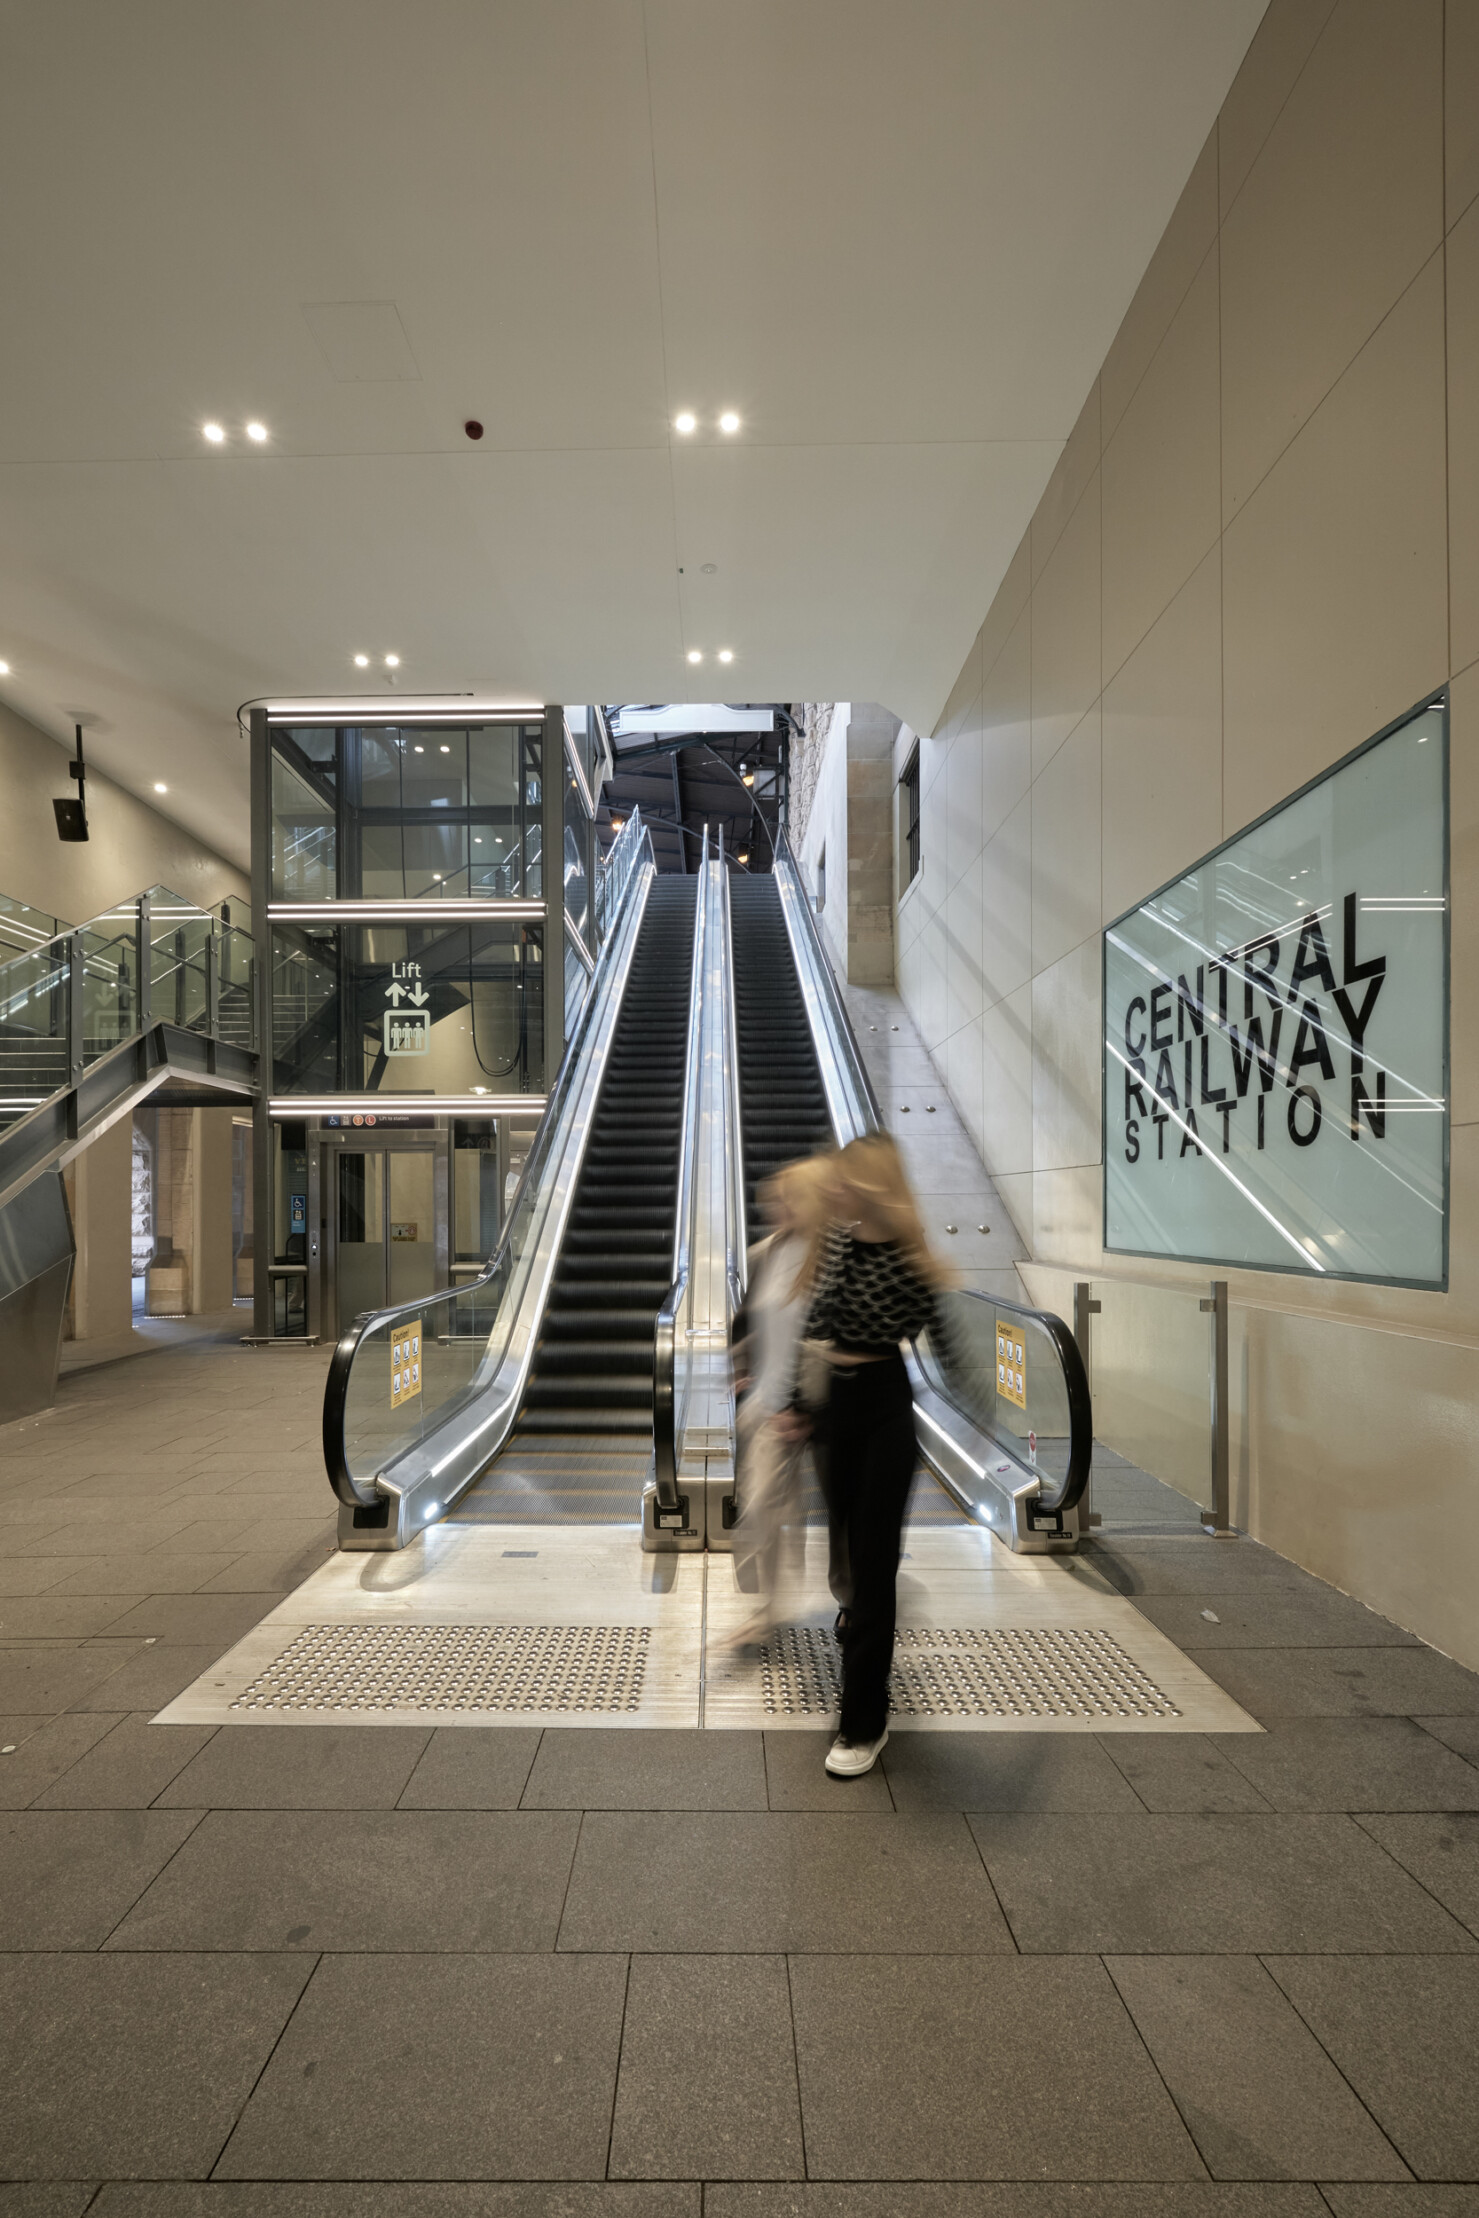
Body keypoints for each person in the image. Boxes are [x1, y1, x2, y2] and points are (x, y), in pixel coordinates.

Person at [792, 1133, 949, 1777]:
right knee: (850, 1554)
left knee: (874, 1562)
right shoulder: (835, 1241)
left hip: (885, 1404)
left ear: (874, 1179)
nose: (837, 1184)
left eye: (848, 1176)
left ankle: (864, 1719)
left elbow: (945, 1340)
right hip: (834, 1408)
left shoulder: (912, 1259)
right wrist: (792, 1407)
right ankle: (857, 1623)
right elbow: (812, 1325)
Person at [729, 1156, 833, 1643]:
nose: (776, 1206)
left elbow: (828, 1335)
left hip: (817, 1407)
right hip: (768, 1408)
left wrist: (807, 1408)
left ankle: (839, 1601)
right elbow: (747, 1319)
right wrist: (742, 1368)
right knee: (760, 1508)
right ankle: (767, 1610)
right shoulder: (767, 1252)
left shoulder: (832, 1258)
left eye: (788, 1197)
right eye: (774, 1197)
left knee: (816, 1511)